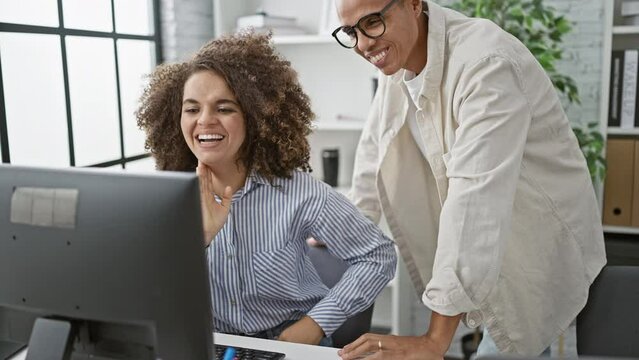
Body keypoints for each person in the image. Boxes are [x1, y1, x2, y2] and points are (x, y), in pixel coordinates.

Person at [330, 0, 607, 358]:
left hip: (539, 259)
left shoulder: (486, 63)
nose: (364, 44)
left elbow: (475, 203)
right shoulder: (399, 61)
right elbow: (375, 151)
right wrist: (346, 229)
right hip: (487, 262)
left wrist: (434, 341)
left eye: (372, 22)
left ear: (414, 3)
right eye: (351, 32)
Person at [136, 32, 397, 346]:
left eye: (224, 108)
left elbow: (377, 256)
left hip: (290, 343)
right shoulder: (168, 198)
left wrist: (315, 324)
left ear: (255, 117)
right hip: (212, 345)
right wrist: (201, 238)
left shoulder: (299, 193)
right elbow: (149, 295)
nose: (205, 121)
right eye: (192, 110)